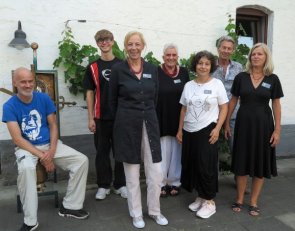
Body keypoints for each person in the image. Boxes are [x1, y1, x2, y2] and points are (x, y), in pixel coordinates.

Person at [2, 67, 89, 231]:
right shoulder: (9, 106)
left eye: (30, 81)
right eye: (23, 82)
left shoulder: (43, 98)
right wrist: (44, 157)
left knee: (81, 161)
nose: (28, 85)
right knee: (27, 169)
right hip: (26, 148)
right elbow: (17, 139)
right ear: (15, 83)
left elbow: (53, 125)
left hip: (49, 145)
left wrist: (52, 150)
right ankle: (30, 221)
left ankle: (70, 206)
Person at [109, 31, 168, 229]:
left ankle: (155, 211)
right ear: (125, 47)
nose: (133, 48)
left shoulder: (152, 68)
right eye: (130, 44)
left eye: (137, 44)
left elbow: (155, 97)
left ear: (143, 46)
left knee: (156, 172)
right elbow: (111, 102)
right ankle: (136, 213)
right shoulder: (118, 70)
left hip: (150, 124)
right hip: (127, 126)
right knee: (132, 174)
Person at [225, 43, 283, 216]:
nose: (256, 57)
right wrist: (227, 123)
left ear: (266, 57)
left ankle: (254, 201)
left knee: (260, 162)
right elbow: (233, 101)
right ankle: (239, 199)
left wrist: (277, 130)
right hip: (243, 125)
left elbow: (277, 105)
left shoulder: (273, 79)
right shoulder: (241, 77)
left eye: (259, 54)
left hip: (264, 126)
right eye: (253, 54)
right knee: (242, 161)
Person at [176, 51, 228, 219]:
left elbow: (224, 107)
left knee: (206, 166)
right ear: (195, 66)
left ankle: (210, 202)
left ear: (211, 66)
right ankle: (201, 196)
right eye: (200, 63)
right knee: (193, 165)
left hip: (207, 130)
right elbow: (183, 109)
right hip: (189, 131)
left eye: (206, 63)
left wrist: (218, 128)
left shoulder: (217, 84)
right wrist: (179, 130)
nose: (203, 66)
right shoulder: (188, 85)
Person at [83, 29, 126, 200]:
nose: (104, 43)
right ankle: (103, 185)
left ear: (113, 42)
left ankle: (120, 184)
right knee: (101, 152)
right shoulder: (92, 67)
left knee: (120, 152)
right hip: (100, 118)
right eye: (101, 40)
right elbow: (89, 93)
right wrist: (90, 118)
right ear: (97, 44)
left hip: (120, 117)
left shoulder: (123, 65)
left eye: (107, 40)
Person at [156, 43, 189, 197]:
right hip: (161, 117)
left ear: (177, 57)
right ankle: (161, 183)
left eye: (173, 55)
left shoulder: (183, 72)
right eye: (168, 55)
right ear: (163, 57)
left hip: (179, 119)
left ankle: (175, 182)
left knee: (177, 152)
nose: (171, 58)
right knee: (162, 153)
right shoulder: (156, 72)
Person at [211, 35, 243, 151]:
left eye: (229, 48)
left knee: (236, 147)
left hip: (234, 114)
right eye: (223, 47)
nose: (226, 51)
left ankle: (238, 169)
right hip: (213, 114)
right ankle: (213, 170)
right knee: (211, 148)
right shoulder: (210, 66)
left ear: (233, 50)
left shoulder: (239, 67)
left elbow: (241, 90)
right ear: (218, 48)